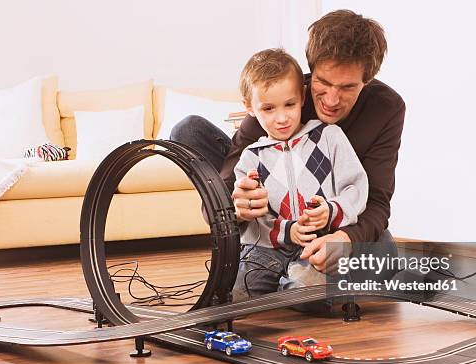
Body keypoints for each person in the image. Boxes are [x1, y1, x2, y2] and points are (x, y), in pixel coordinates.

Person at [170, 9, 405, 283]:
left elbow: (376, 201)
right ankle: (271, 260)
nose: (331, 99)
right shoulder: (282, 100)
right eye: (323, 82)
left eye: (347, 88)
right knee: (189, 131)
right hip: (274, 217)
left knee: (384, 254)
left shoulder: (386, 108)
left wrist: (345, 239)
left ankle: (293, 277)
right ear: (311, 72)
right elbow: (220, 196)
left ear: (367, 81)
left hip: (336, 221)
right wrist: (237, 207)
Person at [231, 48, 368, 300]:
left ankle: (293, 288)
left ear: (302, 96)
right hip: (269, 249)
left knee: (309, 291)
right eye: (268, 109)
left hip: (317, 245)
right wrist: (287, 231)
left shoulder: (329, 137)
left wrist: (331, 210)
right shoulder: (251, 156)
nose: (282, 118)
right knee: (239, 289)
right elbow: (254, 218)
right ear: (249, 107)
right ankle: (285, 285)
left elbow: (356, 187)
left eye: (290, 104)